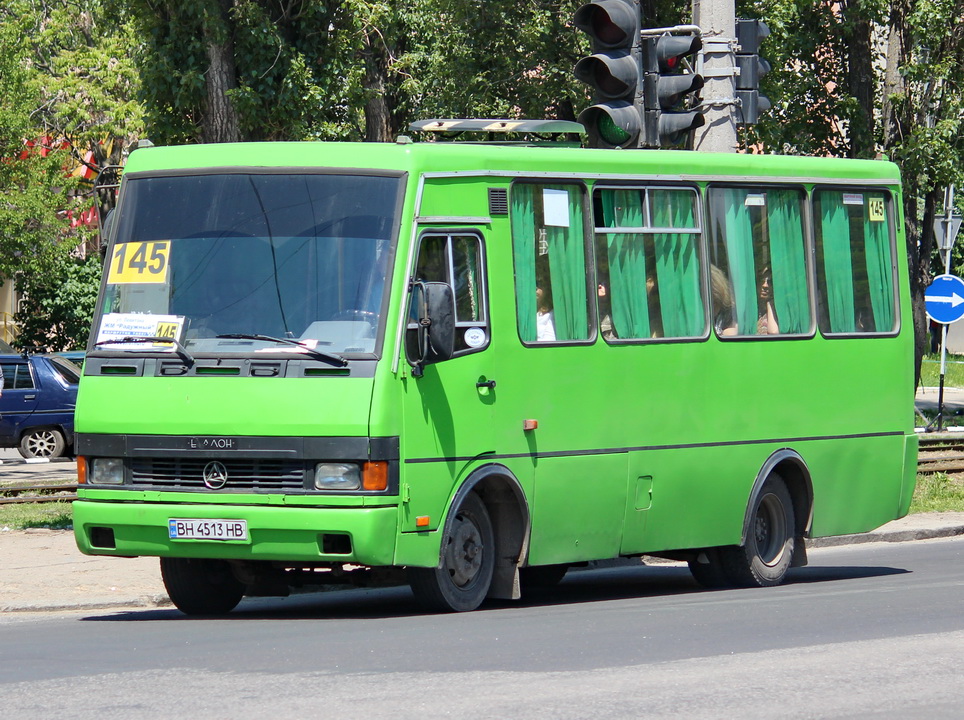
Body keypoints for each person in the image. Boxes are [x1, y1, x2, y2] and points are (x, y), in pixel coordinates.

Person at [756, 266, 779, 335]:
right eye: (762, 281)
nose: (765, 285)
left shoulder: (778, 309)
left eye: (770, 282)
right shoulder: (753, 309)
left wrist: (769, 303)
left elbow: (773, 332)